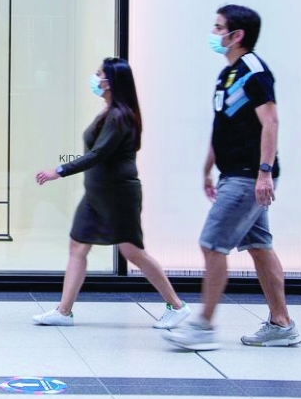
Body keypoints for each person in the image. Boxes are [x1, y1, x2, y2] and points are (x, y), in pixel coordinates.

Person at [164, 5, 299, 351]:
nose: (213, 33)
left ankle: (203, 327)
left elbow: (271, 121)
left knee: (212, 244)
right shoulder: (227, 74)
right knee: (260, 247)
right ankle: (281, 324)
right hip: (233, 174)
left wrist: (264, 172)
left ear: (236, 35)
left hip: (248, 176)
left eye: (218, 27)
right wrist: (207, 168)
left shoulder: (253, 69)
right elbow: (221, 126)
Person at [33, 57, 189, 329]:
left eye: (99, 74)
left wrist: (59, 170)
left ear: (111, 81)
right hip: (96, 195)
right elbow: (96, 155)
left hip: (118, 196)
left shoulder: (120, 116)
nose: (95, 78)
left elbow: (98, 154)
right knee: (77, 246)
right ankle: (63, 311)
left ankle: (176, 306)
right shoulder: (109, 112)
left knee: (133, 252)